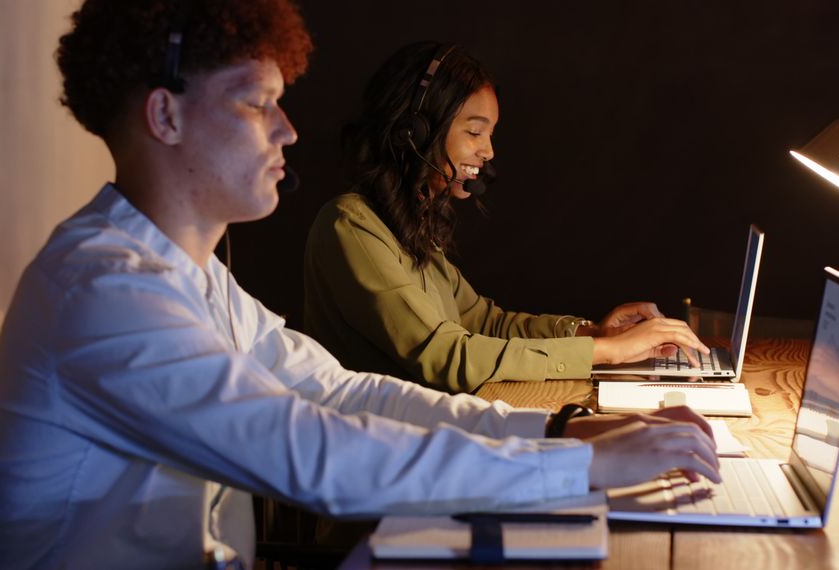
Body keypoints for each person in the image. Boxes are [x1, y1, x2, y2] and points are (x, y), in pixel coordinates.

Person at [0, 2, 720, 568]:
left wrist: (553, 433)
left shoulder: (190, 278)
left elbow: (344, 394)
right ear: (166, 116)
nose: (287, 130)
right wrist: (582, 467)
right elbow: (312, 453)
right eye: (259, 104)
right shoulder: (105, 289)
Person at [304, 42, 710, 394]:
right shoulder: (351, 225)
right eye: (474, 132)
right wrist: (606, 352)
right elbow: (444, 356)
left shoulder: (411, 222)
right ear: (414, 131)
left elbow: (483, 322)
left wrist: (591, 333)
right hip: (387, 456)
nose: (489, 151)